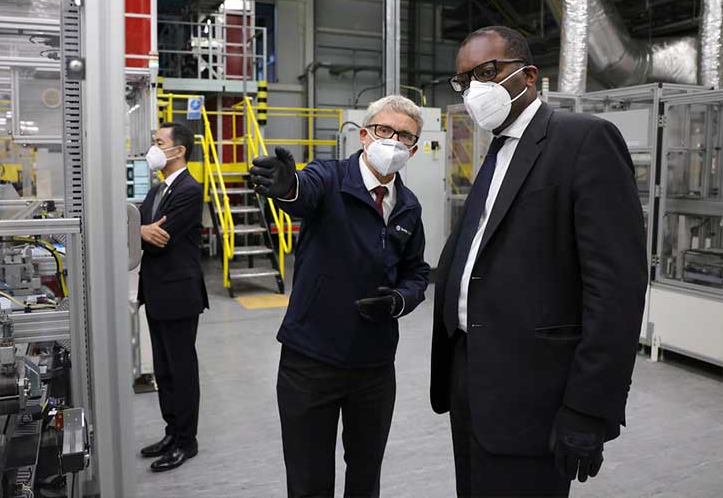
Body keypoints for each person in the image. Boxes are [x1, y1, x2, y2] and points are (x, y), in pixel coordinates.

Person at [431, 26, 648, 497]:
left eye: (487, 73)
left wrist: (589, 409)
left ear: (528, 76)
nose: (474, 90)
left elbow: (617, 289)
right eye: (464, 81)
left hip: (534, 393)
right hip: (472, 377)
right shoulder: (498, 150)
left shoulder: (584, 140)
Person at [249, 95, 431, 498]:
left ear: (414, 149)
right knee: (309, 478)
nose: (394, 141)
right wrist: (287, 187)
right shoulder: (328, 178)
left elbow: (416, 271)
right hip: (310, 360)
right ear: (365, 136)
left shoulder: (409, 207)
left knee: (366, 475)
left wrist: (400, 300)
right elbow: (303, 192)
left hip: (375, 365)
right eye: (385, 131)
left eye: (405, 136)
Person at [137, 121, 208, 472]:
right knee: (163, 371)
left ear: (178, 150)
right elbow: (140, 227)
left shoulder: (189, 190)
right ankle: (171, 432)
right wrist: (139, 229)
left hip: (179, 294)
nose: (153, 148)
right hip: (157, 292)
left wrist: (143, 231)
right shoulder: (157, 190)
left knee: (181, 371)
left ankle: (186, 441)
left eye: (158, 142)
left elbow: (159, 237)